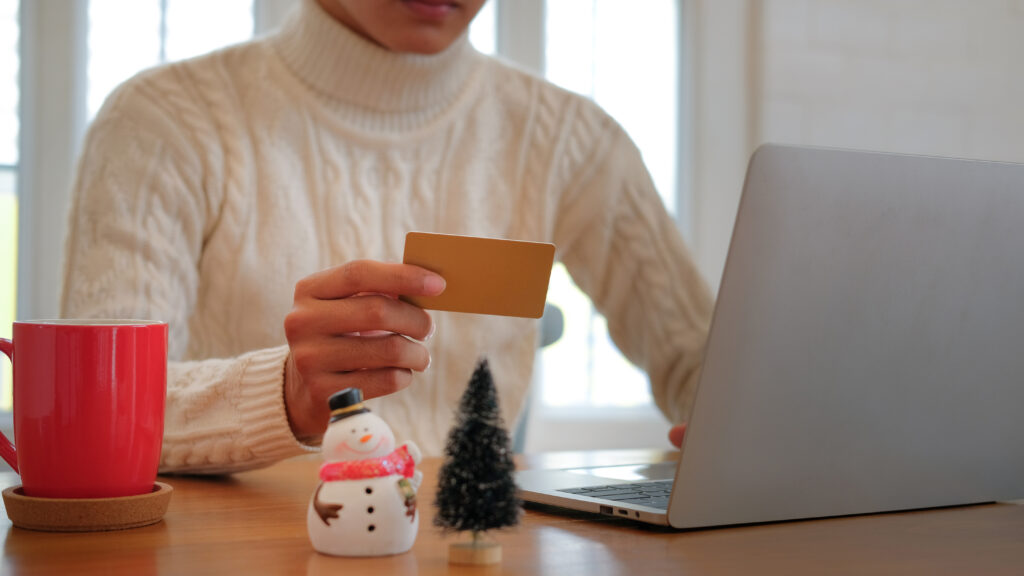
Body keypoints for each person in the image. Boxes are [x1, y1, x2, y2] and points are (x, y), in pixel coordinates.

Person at [60, 0, 713, 474]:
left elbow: (703, 361)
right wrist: (283, 396)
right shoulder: (164, 122)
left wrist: (740, 429)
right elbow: (97, 415)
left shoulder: (570, 140)